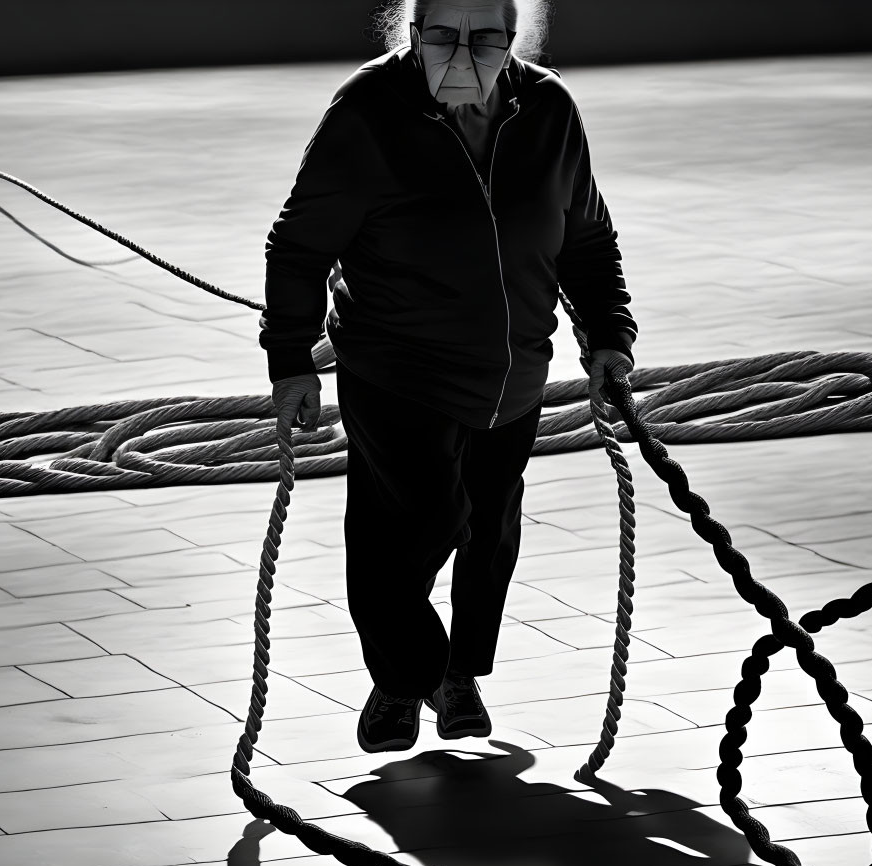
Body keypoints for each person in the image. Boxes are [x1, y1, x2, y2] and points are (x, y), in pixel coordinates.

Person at [259, 0, 636, 753]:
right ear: (411, 35)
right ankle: (406, 678)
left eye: (486, 37)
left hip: (513, 373)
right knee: (413, 525)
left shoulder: (547, 108)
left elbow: (586, 235)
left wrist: (607, 333)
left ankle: (456, 672)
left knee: (489, 535)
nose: (462, 53)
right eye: (442, 35)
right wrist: (291, 360)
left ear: (512, 40)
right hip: (398, 369)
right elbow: (298, 243)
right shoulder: (368, 112)